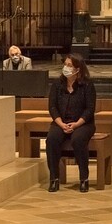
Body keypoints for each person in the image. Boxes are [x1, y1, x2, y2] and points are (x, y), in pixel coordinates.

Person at [46, 53, 96, 193]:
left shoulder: (87, 85)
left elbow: (90, 109)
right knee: (52, 139)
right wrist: (61, 124)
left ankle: (83, 179)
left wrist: (76, 124)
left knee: (78, 139)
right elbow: (52, 107)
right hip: (61, 122)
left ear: (78, 70)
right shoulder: (57, 84)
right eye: (65, 64)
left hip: (83, 123)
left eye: (70, 65)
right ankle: (54, 178)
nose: (66, 67)